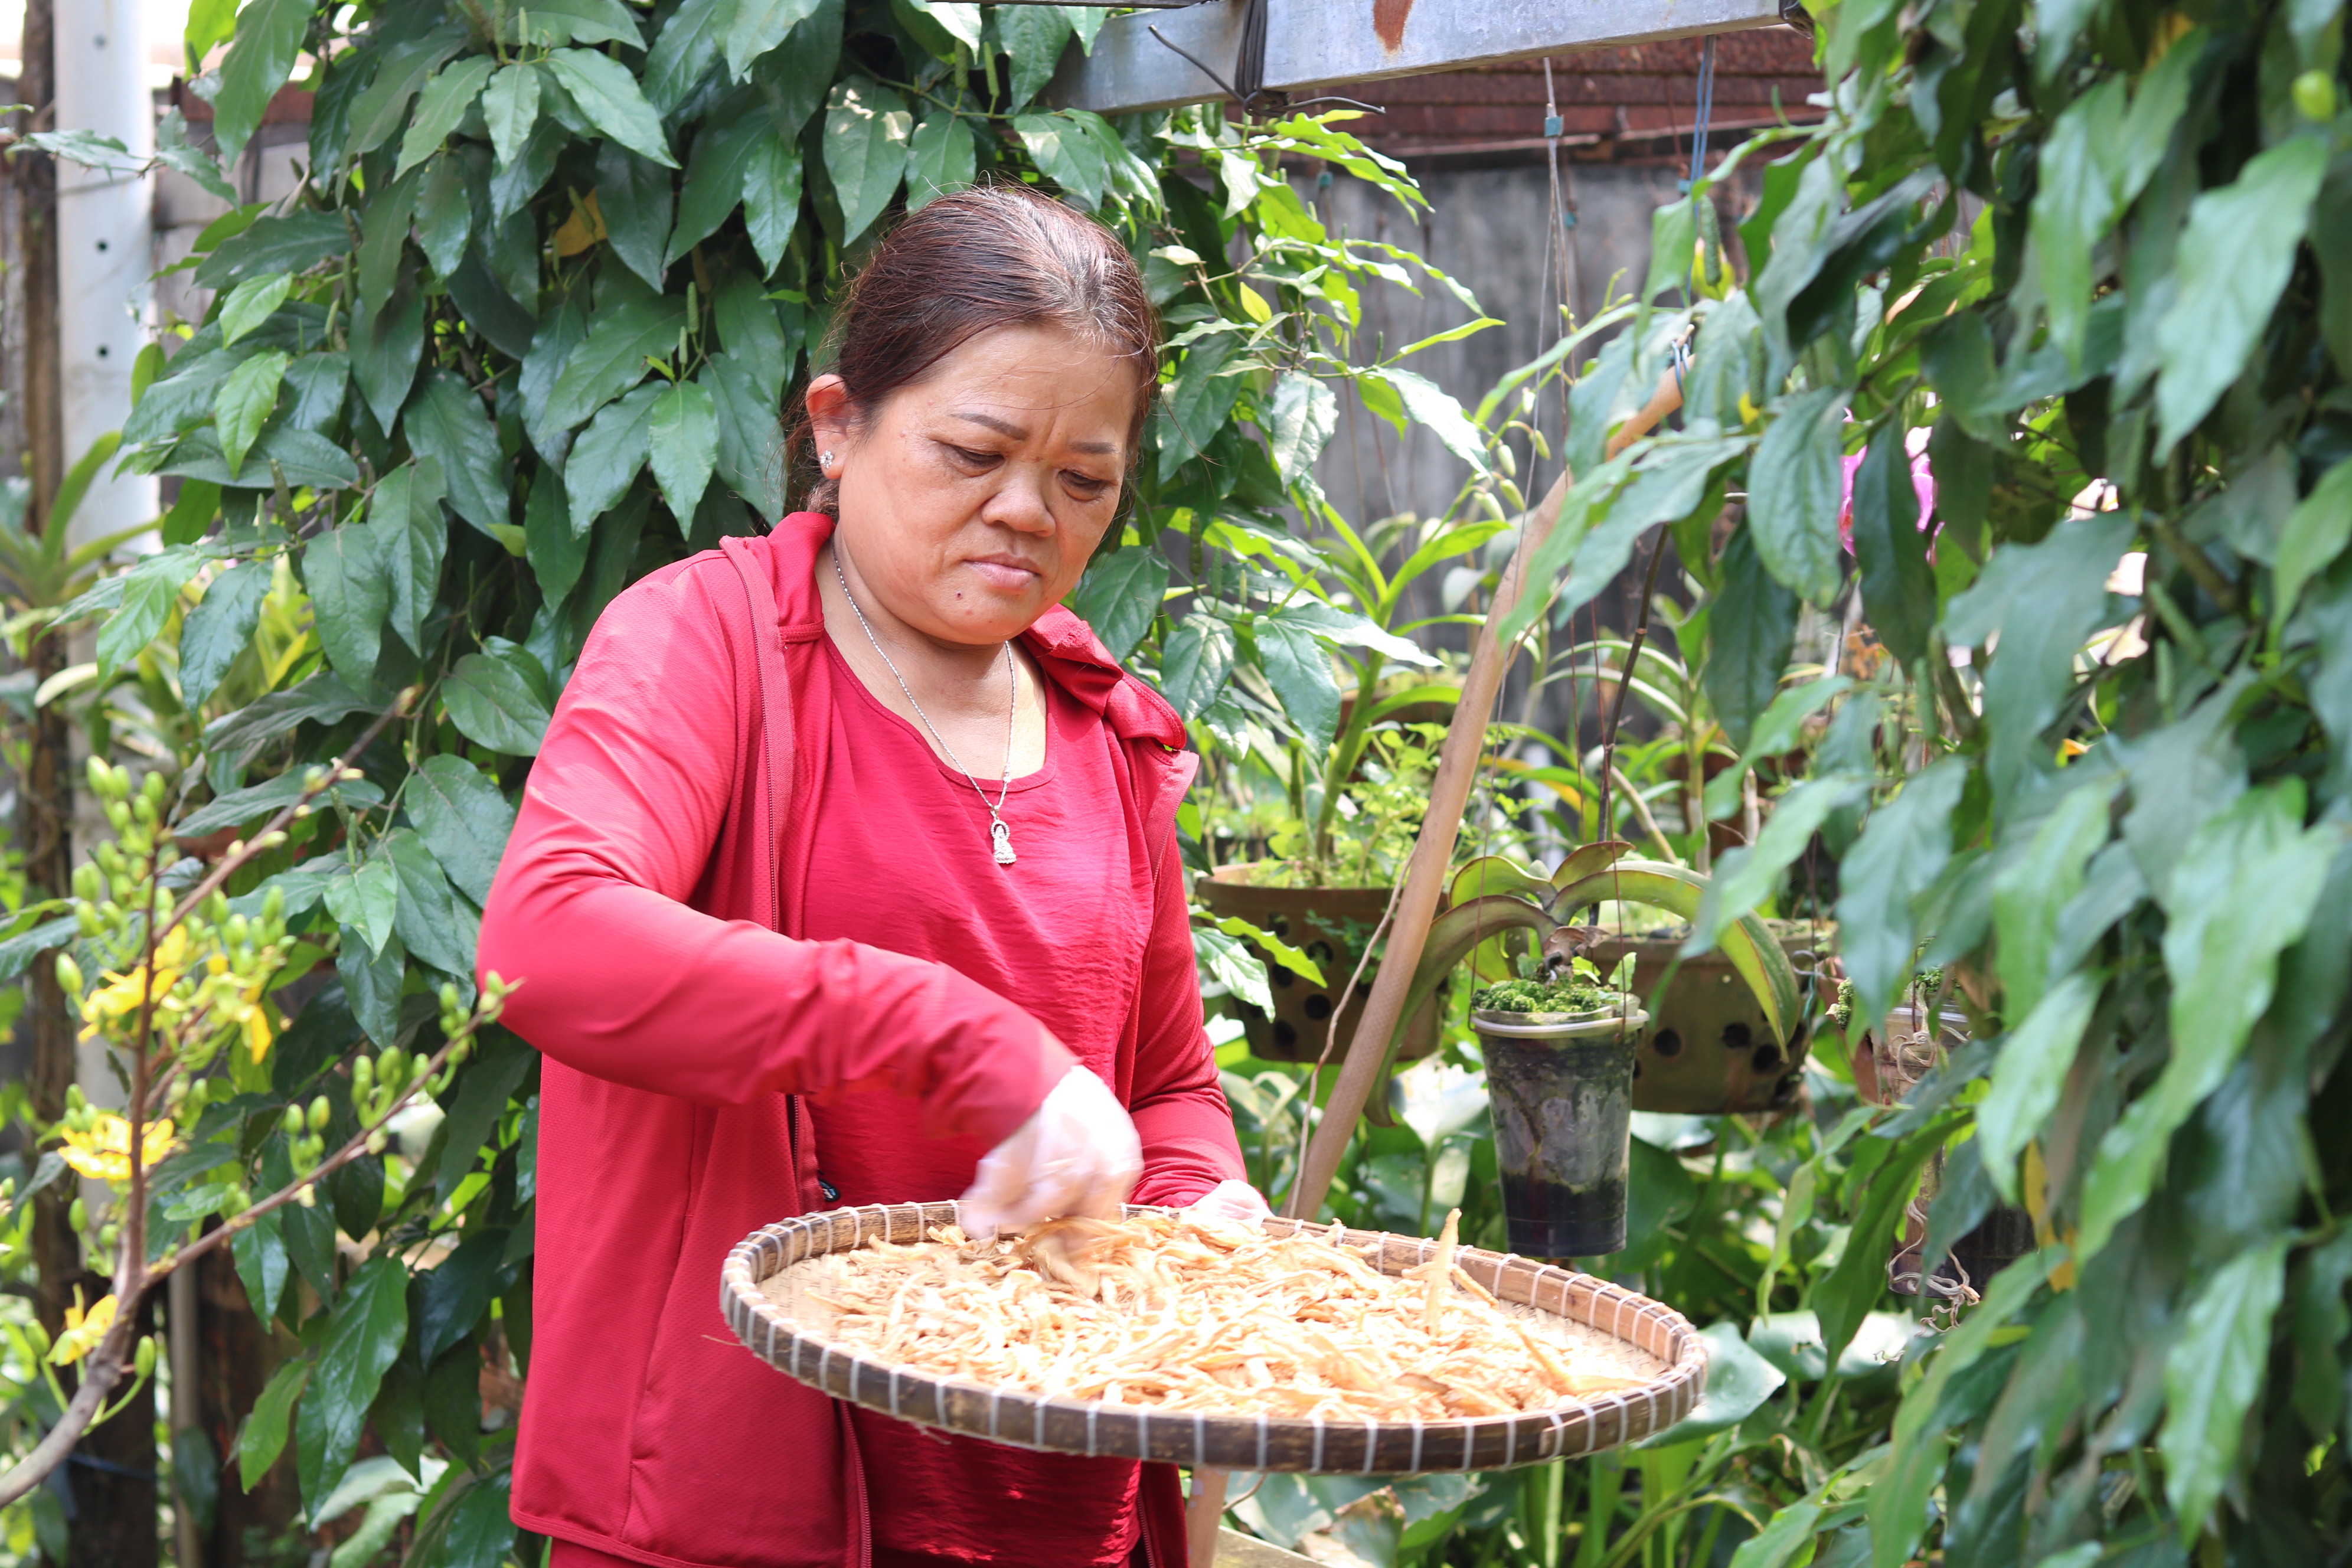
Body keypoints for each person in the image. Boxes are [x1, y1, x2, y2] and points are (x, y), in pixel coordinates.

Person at [478, 185, 1265, 1568]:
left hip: (1065, 1506)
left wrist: (1202, 1202)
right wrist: (966, 1039)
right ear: (838, 425)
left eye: (1085, 480)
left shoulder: (1108, 727)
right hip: (741, 1510)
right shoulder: (705, 641)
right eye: (974, 451)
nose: (1026, 510)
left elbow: (1165, 1084)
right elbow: (548, 940)